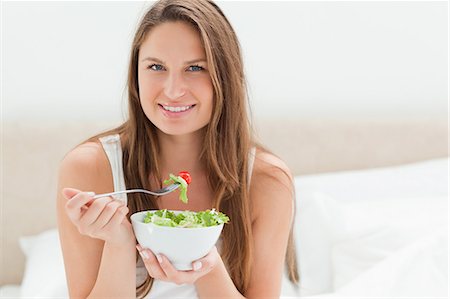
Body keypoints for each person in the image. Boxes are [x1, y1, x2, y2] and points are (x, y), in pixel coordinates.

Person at [56, 0, 298, 298]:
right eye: (156, 66)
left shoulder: (267, 180)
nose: (172, 90)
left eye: (195, 68)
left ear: (225, 76)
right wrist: (119, 243)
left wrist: (205, 265)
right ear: (136, 74)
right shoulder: (90, 168)